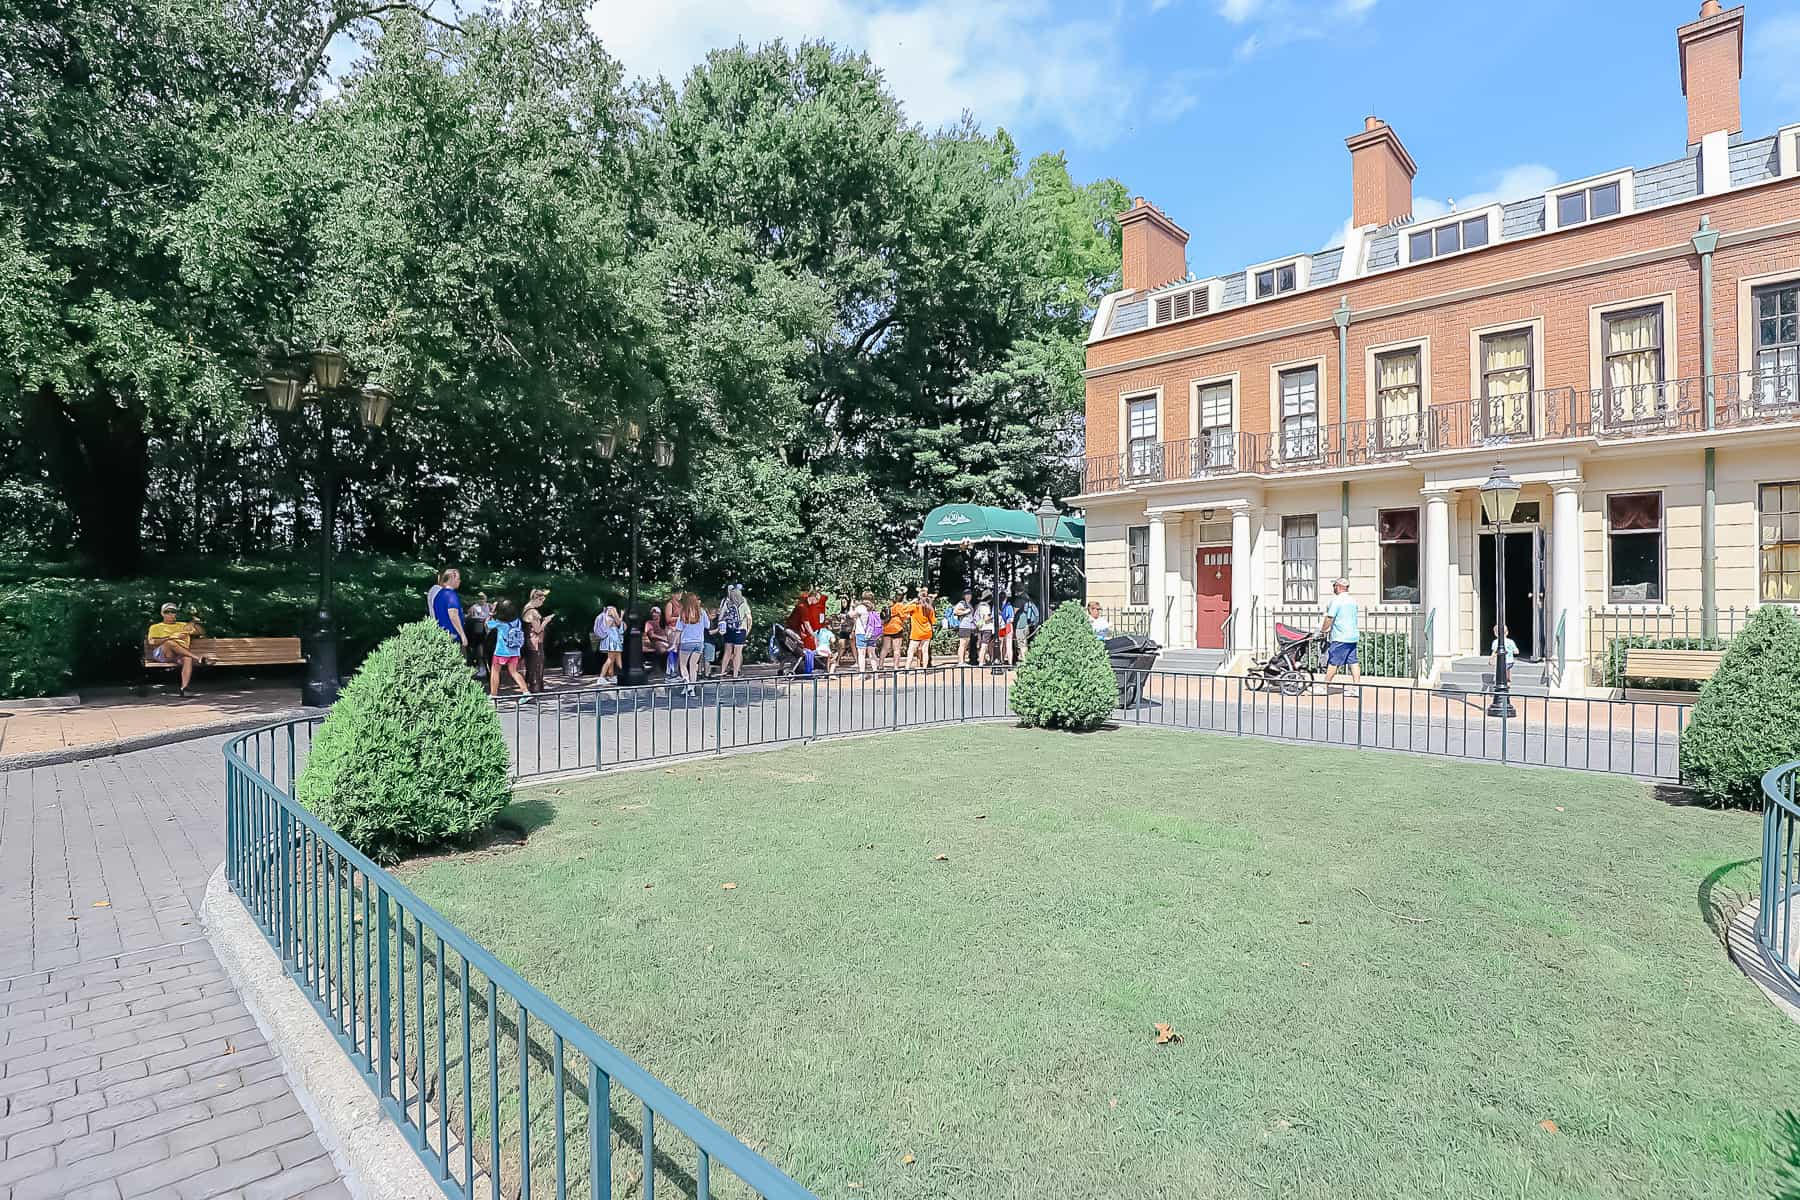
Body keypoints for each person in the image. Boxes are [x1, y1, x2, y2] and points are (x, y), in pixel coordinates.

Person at [147, 602, 209, 696]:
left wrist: (194, 622)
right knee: (170, 642)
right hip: (163, 653)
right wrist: (171, 637)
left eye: (173, 611)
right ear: (162, 613)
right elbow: (152, 642)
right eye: (167, 612)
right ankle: (197, 658)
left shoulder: (183, 625)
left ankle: (184, 688)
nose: (170, 614)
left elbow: (201, 632)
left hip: (180, 654)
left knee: (187, 659)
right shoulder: (156, 627)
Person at [1321, 576, 1362, 687]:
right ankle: (1356, 687)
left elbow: (1329, 617)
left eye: (1334, 585)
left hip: (1340, 636)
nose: (1333, 588)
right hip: (1353, 636)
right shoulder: (1353, 601)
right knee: (1353, 662)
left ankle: (1324, 686)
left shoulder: (1336, 601)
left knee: (1333, 662)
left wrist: (1323, 630)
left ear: (1338, 587)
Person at [487, 599, 531, 697]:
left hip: (501, 652)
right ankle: (525, 692)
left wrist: (491, 613)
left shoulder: (500, 623)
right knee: (514, 672)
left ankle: (493, 694)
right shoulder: (517, 622)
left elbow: (487, 625)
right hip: (515, 651)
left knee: (495, 671)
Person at [522, 589, 554, 693]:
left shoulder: (526, 608)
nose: (542, 603)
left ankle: (533, 686)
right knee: (537, 664)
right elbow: (538, 629)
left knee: (531, 664)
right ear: (536, 599)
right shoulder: (533, 611)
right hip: (535, 642)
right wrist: (546, 621)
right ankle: (535, 688)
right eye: (542, 600)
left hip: (530, 641)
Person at [718, 585, 752, 679]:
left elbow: (721, 617)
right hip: (740, 630)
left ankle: (722, 672)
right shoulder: (744, 604)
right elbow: (749, 618)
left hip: (729, 630)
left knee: (727, 652)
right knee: (737, 653)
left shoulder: (727, 603)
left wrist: (721, 627)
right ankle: (735, 674)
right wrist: (748, 629)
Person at [432, 568, 469, 650]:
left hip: (442, 635)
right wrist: (462, 635)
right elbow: (453, 615)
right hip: (453, 637)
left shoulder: (439, 595)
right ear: (451, 579)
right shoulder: (451, 595)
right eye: (458, 579)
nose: (460, 581)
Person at [907, 590, 935, 668]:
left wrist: (911, 602)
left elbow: (903, 609)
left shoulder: (914, 607)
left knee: (911, 651)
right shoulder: (930, 608)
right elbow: (933, 621)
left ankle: (907, 668)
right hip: (927, 632)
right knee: (925, 651)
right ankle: (924, 668)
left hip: (916, 633)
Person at [466, 592, 493, 671]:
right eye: (479, 598)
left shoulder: (489, 606)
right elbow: (469, 617)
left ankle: (487, 665)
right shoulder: (473, 607)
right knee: (479, 645)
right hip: (478, 627)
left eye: (483, 598)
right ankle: (480, 664)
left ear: (486, 599)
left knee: (487, 646)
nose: (481, 600)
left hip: (489, 628)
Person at [595, 607, 623, 683]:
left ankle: (612, 676)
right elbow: (619, 623)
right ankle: (601, 677)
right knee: (610, 659)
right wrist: (621, 616)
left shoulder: (608, 618)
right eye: (614, 611)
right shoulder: (609, 619)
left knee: (616, 659)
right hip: (613, 641)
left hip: (615, 640)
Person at [882, 594, 909, 669]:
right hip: (896, 628)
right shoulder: (899, 605)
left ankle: (880, 665)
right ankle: (896, 667)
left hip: (887, 629)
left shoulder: (888, 606)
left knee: (884, 648)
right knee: (896, 649)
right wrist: (908, 616)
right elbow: (903, 616)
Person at [641, 607, 668, 678]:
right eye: (653, 612)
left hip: (664, 642)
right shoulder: (649, 623)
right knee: (663, 650)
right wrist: (663, 638)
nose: (654, 614)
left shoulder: (662, 623)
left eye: (656, 612)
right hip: (654, 643)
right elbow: (651, 635)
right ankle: (658, 669)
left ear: (660, 614)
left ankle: (669, 670)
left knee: (674, 649)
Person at [664, 591, 685, 678]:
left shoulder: (681, 605)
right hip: (671, 629)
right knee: (673, 649)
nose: (680, 595)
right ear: (673, 594)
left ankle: (677, 669)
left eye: (681, 593)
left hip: (679, 630)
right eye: (678, 593)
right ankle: (671, 670)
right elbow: (668, 619)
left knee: (679, 650)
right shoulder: (670, 604)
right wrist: (679, 618)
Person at [952, 590, 975, 665]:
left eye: (970, 594)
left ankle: (963, 661)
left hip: (969, 626)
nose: (969, 596)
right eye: (967, 594)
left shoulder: (969, 604)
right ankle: (960, 661)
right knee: (962, 644)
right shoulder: (962, 603)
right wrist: (965, 612)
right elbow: (955, 611)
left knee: (965, 645)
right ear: (964, 596)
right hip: (964, 626)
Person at [996, 595, 1016, 667]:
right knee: (1009, 645)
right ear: (1006, 598)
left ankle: (1001, 661)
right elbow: (1011, 619)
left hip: (1001, 627)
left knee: (1001, 645)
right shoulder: (1009, 606)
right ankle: (1010, 663)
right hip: (1008, 626)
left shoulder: (998, 606)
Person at [974, 597, 995, 664]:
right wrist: (992, 617)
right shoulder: (986, 607)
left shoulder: (978, 606)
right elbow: (986, 618)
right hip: (987, 628)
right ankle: (981, 662)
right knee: (984, 645)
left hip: (981, 627)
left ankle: (982, 660)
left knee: (982, 644)